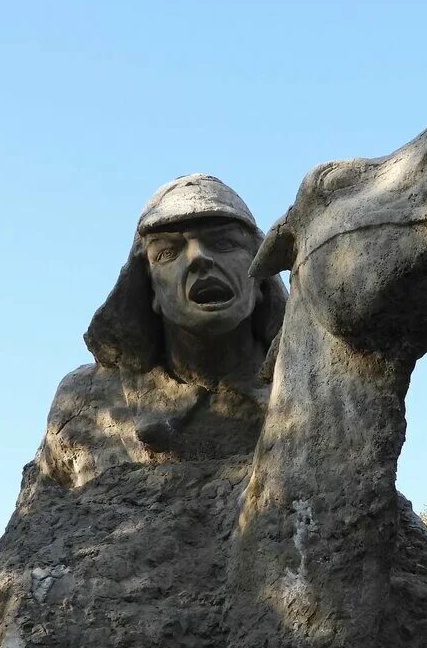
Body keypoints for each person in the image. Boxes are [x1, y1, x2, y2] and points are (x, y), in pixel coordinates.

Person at [36, 174, 286, 487]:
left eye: (224, 243)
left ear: (260, 276)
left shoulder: (306, 389)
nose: (199, 258)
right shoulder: (87, 400)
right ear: (150, 288)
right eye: (167, 252)